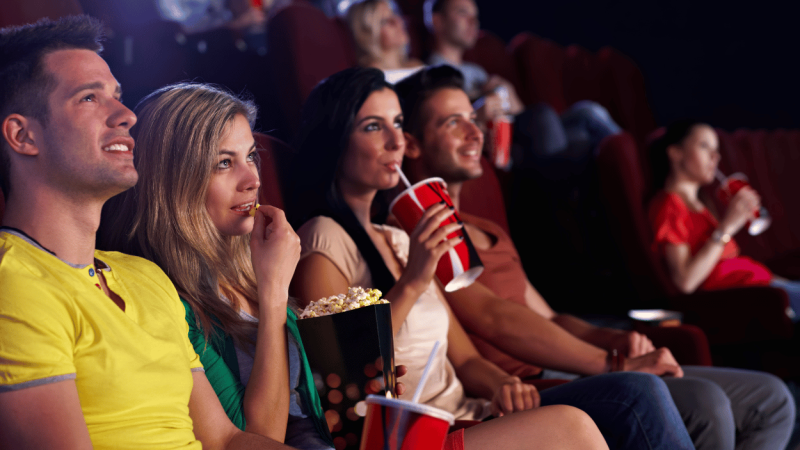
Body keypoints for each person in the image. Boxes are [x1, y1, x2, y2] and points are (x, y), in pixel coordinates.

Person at [286, 66, 692, 450]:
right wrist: (412, 281)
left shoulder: (398, 239)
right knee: (578, 423)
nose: (395, 141)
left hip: (468, 413)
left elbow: (464, 358)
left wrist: (501, 384)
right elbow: (346, 381)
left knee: (616, 406)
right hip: (414, 434)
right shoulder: (322, 239)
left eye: (396, 122)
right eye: (373, 127)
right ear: (335, 141)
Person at [394, 65, 797, 450]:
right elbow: (495, 317)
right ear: (410, 142)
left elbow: (549, 317)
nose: (473, 131)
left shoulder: (490, 228)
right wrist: (611, 363)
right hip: (529, 383)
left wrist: (615, 342)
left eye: (471, 117)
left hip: (570, 363)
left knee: (774, 399)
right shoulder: (420, 238)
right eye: (452, 122)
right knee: (706, 404)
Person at [0, 16, 297, 450]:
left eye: (118, 97)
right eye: (89, 98)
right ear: (23, 135)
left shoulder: (145, 277)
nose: (126, 115)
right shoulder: (15, 283)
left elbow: (227, 441)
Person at [98, 82, 343, 449]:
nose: (253, 180)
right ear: (174, 182)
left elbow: (300, 408)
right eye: (224, 163)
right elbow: (258, 438)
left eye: (250, 157)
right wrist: (274, 291)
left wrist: (359, 395)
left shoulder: (249, 264)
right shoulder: (164, 298)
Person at [424, 0, 620, 163]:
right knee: (545, 118)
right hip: (507, 141)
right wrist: (481, 106)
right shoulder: (433, 71)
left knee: (587, 116)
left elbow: (518, 111)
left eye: (475, 15)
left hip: (527, 130)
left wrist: (506, 90)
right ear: (438, 21)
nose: (473, 21)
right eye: (462, 13)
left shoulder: (476, 70)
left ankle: (638, 170)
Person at [648, 120, 800, 319]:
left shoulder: (700, 205)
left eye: (716, 149)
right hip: (753, 299)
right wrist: (728, 226)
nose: (715, 156)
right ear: (675, 153)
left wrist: (785, 284)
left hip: (767, 288)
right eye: (704, 146)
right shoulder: (670, 206)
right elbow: (685, 281)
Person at [345, 0, 425, 84]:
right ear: (367, 33)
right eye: (386, 21)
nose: (398, 22)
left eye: (395, 14)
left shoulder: (416, 64)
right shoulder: (372, 77)